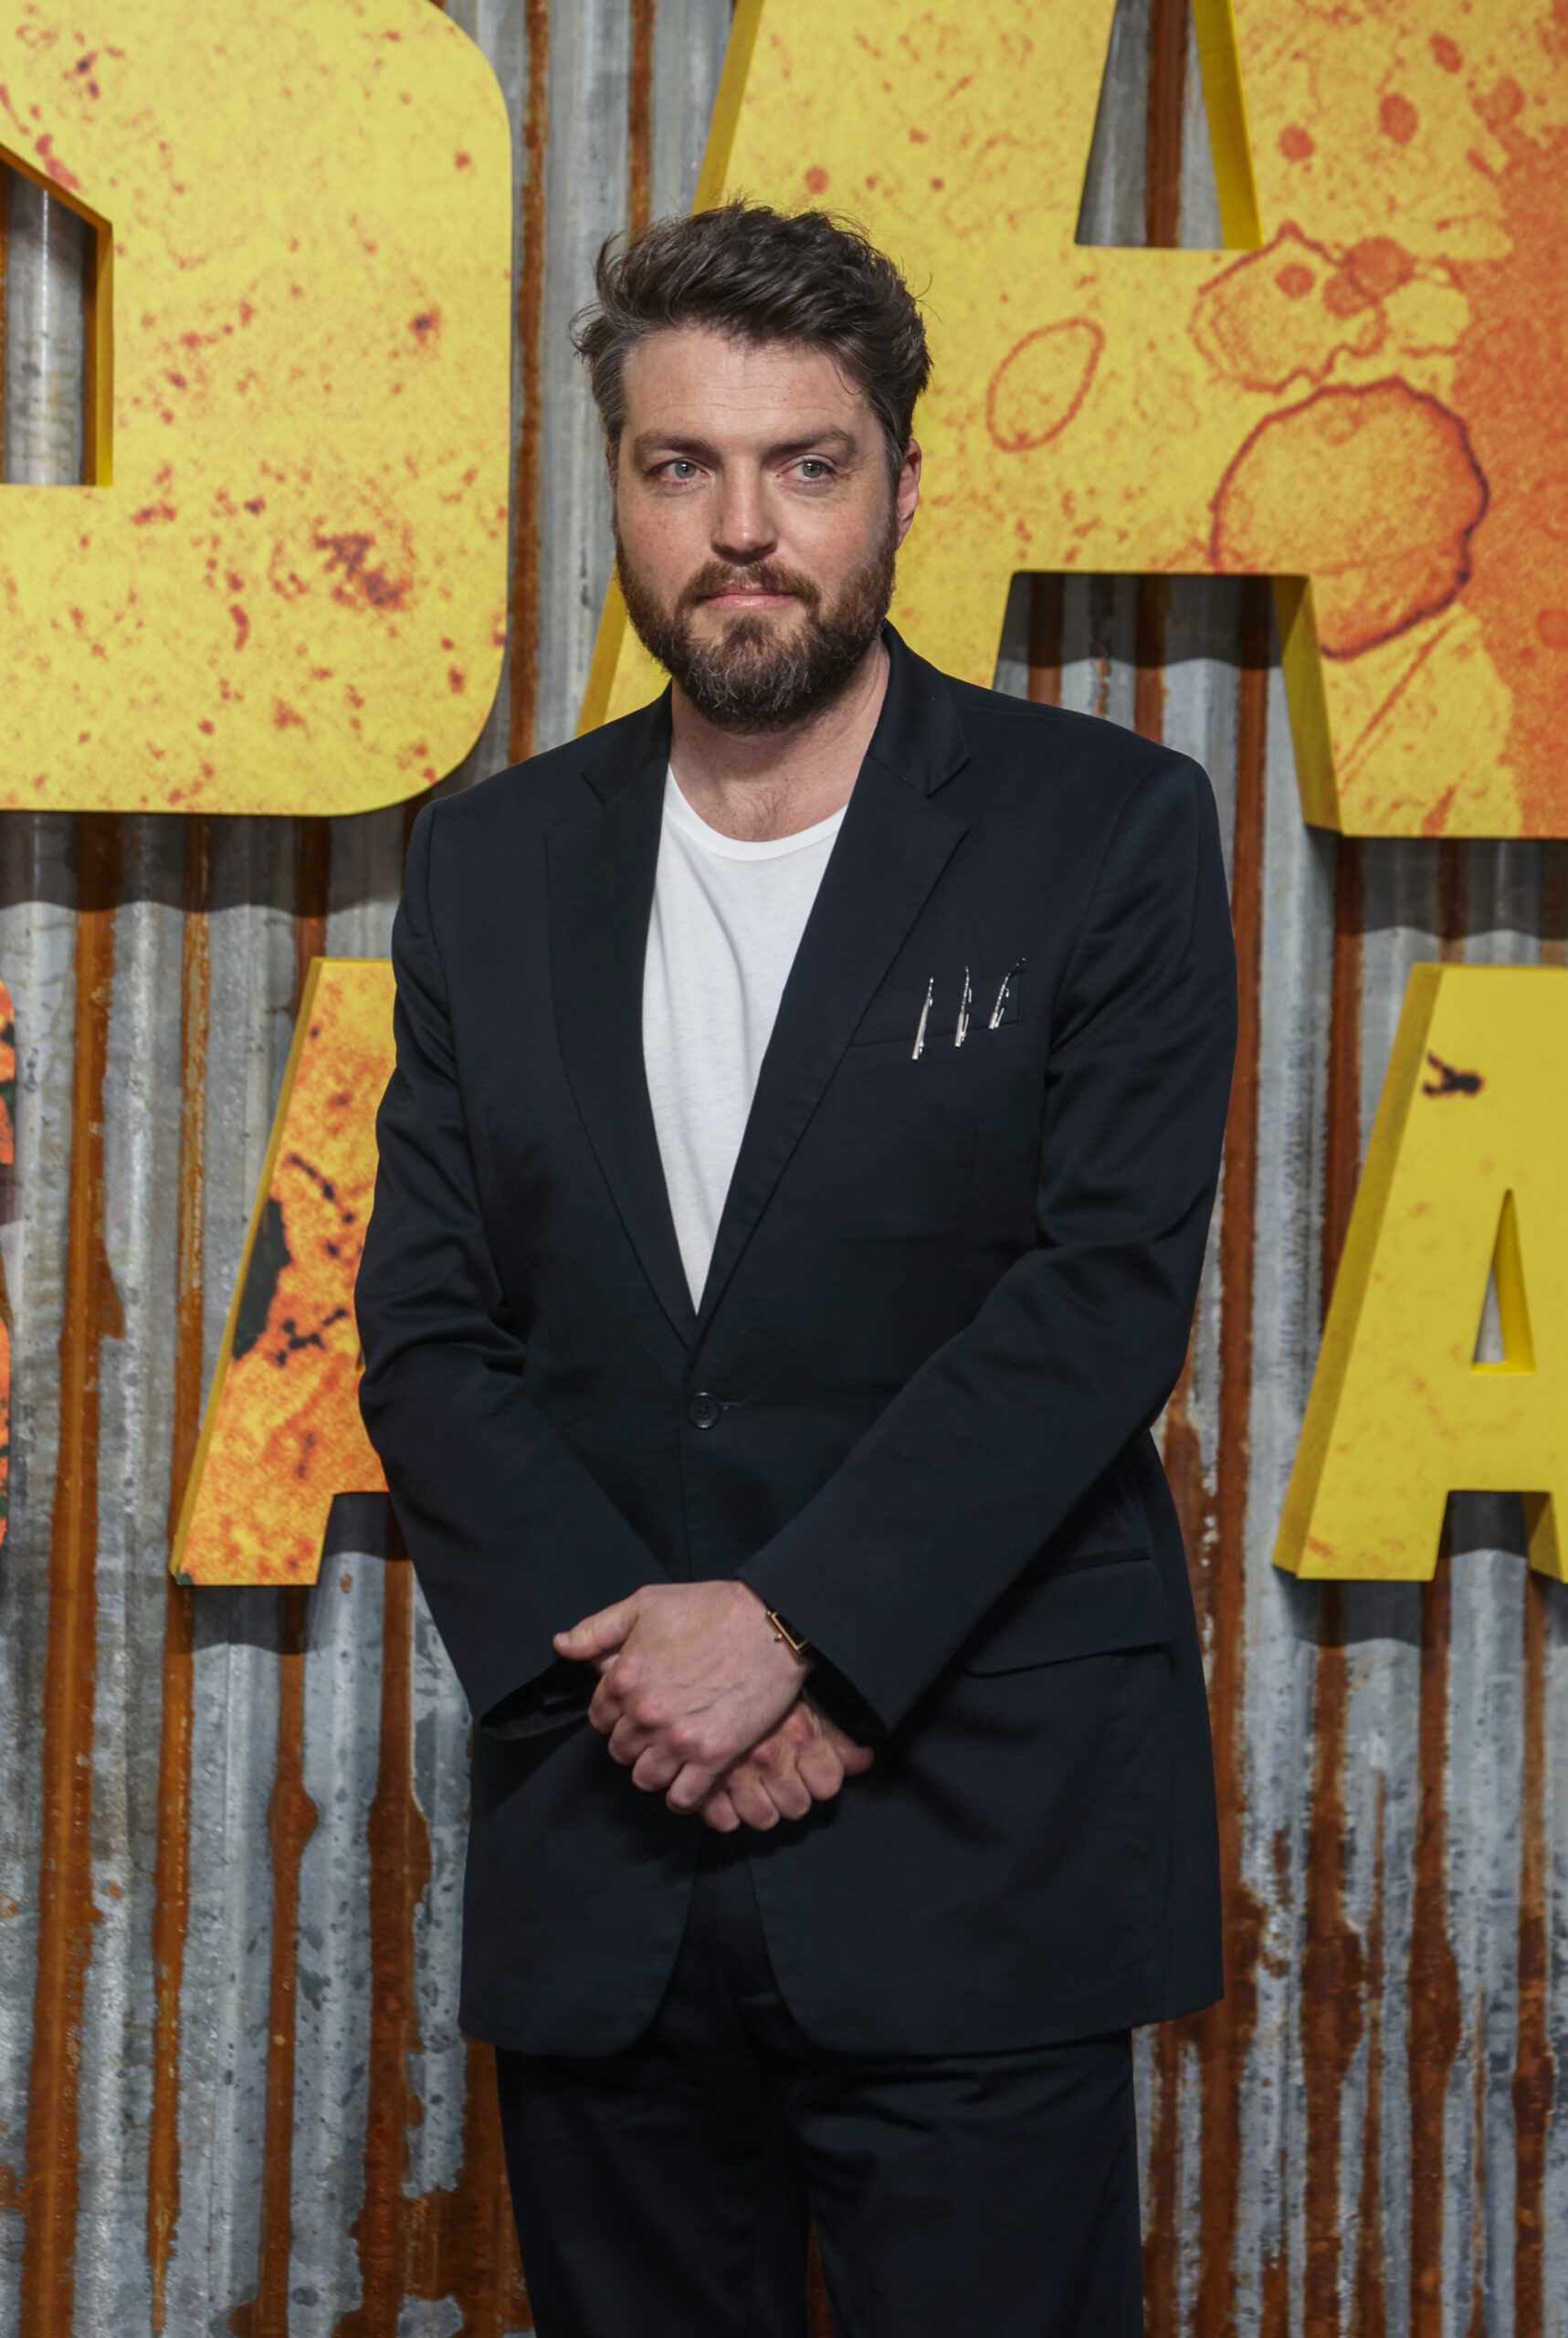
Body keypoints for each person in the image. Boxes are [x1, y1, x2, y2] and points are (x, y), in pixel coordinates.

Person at [356, 199, 1237, 2338]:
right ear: (622, 495)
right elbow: (426, 1324)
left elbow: (1097, 1289)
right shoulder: (492, 856)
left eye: (805, 465)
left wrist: (810, 1642)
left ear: (903, 485)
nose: (743, 530)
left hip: (972, 1839)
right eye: (683, 468)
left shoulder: (1099, 827)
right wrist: (647, 1685)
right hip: (611, 1840)